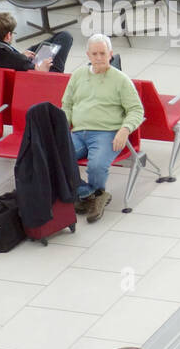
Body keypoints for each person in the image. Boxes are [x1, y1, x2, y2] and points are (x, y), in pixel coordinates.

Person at [60, 34, 144, 222]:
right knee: (57, 157)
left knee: (96, 165)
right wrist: (63, 126)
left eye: (103, 53)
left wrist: (124, 130)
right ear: (88, 55)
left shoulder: (121, 80)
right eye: (95, 54)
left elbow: (136, 110)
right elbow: (66, 104)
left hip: (107, 133)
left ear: (110, 55)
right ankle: (86, 193)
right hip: (78, 132)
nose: (99, 58)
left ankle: (97, 194)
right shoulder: (78, 75)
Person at [0, 12, 72, 74]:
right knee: (65, 37)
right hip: (37, 77)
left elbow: (2, 59)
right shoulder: (19, 61)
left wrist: (19, 55)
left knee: (57, 39)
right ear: (8, 35)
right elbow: (36, 74)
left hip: (13, 63)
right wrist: (42, 69)